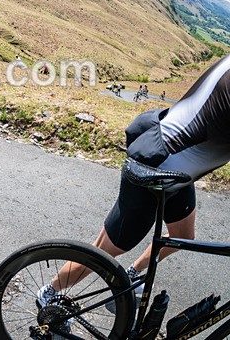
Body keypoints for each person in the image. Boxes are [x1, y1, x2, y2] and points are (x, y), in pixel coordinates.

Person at [37, 55, 230, 306]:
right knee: (105, 249)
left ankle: (131, 274)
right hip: (156, 165)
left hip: (174, 162)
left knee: (182, 236)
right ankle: (49, 293)